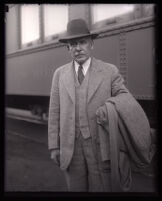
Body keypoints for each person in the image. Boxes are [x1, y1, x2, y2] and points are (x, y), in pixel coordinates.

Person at [48, 18, 154, 192]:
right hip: (70, 149)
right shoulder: (59, 75)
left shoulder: (109, 71)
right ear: (68, 48)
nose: (78, 48)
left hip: (101, 146)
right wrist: (54, 146)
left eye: (82, 42)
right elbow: (54, 111)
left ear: (91, 44)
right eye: (73, 44)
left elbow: (124, 96)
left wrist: (110, 106)